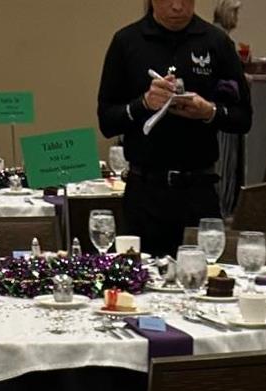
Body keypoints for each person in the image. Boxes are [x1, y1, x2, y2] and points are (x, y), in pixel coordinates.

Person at [98, 0, 252, 255]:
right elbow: (107, 121)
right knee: (140, 276)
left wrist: (209, 112)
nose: (178, 6)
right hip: (145, 194)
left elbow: (243, 118)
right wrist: (144, 104)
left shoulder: (216, 42)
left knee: (204, 275)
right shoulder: (127, 42)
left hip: (199, 191)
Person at [212, 0, 247, 214]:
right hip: (223, 110)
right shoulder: (221, 40)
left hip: (217, 110)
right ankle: (222, 209)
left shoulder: (214, 36)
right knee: (225, 164)